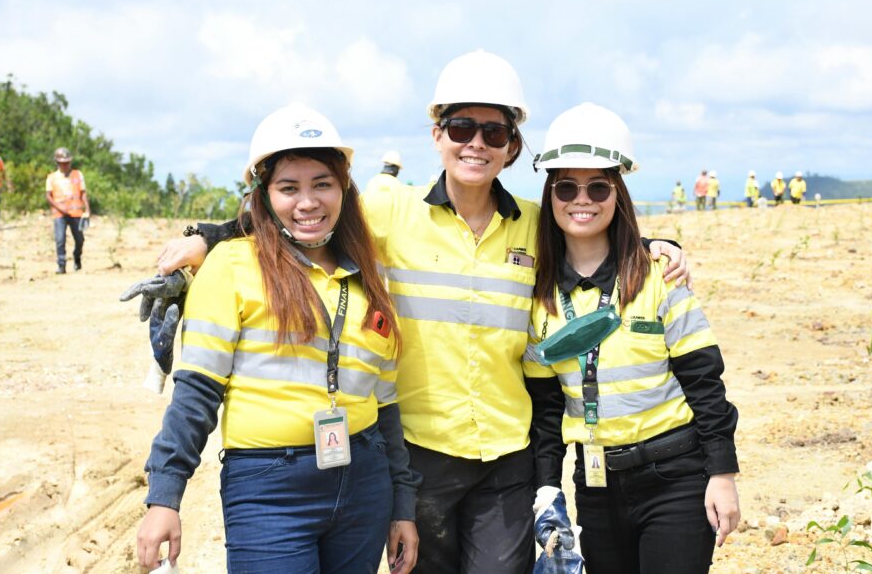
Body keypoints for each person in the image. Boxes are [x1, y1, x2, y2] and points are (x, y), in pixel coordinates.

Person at [144, 50, 692, 574]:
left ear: (512, 146)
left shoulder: (534, 224)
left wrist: (656, 246)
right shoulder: (388, 207)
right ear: (437, 135)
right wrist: (208, 239)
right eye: (460, 129)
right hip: (420, 452)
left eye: (494, 132)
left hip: (507, 453)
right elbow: (308, 210)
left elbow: (588, 226)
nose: (475, 144)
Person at [135, 104, 420, 573]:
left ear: (344, 190)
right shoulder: (231, 266)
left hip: (365, 483)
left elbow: (386, 404)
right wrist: (165, 497)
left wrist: (402, 503)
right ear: (263, 196)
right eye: (289, 188)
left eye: (322, 184)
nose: (307, 202)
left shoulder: (369, 277)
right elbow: (197, 394)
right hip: (270, 490)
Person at [524, 103, 739, 574]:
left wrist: (722, 473)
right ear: (551, 194)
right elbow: (546, 409)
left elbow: (704, 380)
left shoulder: (658, 274)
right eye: (566, 187)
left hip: (675, 479)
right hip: (596, 486)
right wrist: (547, 489)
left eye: (598, 186)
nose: (583, 199)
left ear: (617, 193)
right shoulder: (538, 296)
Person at [46, 147, 90, 273]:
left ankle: (77, 258)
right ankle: (61, 265)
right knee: (60, 239)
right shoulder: (51, 177)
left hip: (76, 213)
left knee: (80, 239)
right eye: (62, 163)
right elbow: (48, 196)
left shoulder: (78, 174)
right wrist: (59, 207)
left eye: (67, 162)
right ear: (57, 163)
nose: (65, 165)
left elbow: (83, 194)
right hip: (59, 214)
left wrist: (87, 210)